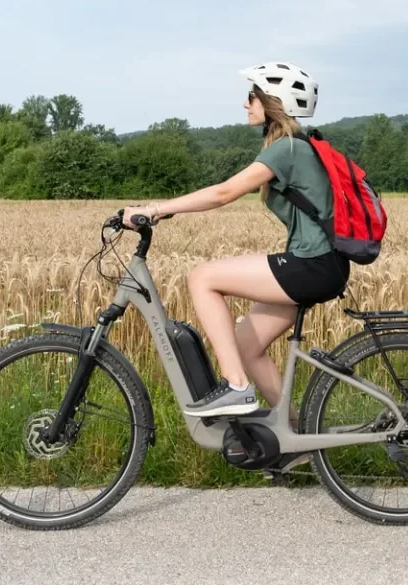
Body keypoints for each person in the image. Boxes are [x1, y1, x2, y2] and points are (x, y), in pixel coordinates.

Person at [120, 61, 349, 418]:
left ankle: (237, 387)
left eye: (252, 96)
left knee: (203, 277)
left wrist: (155, 209)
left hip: (312, 265)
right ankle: (295, 444)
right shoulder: (293, 146)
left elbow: (224, 193)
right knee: (246, 345)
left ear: (273, 101)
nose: (246, 104)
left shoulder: (286, 149)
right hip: (319, 264)